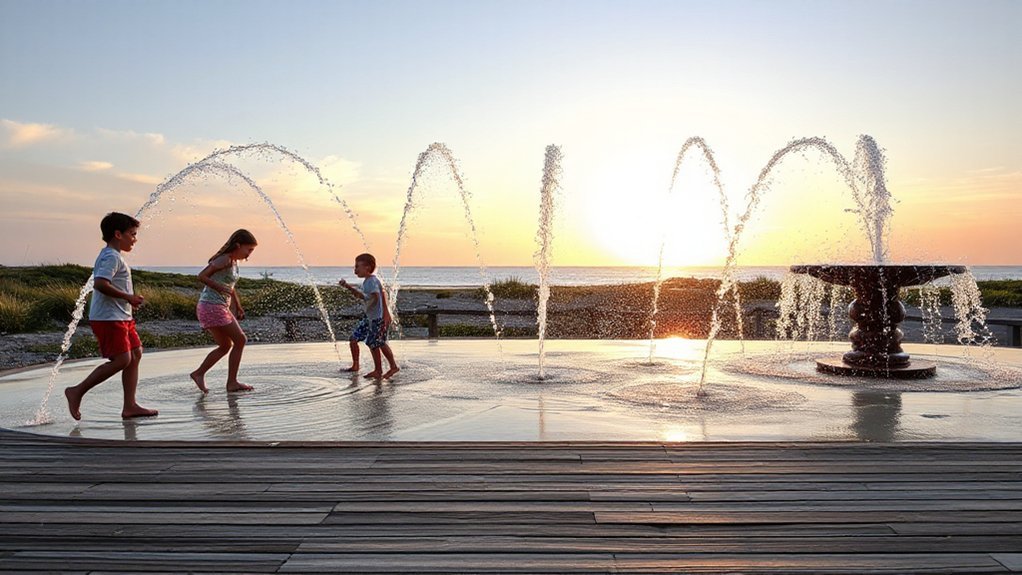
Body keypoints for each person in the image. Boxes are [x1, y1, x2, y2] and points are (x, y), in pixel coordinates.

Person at [64, 212, 158, 421]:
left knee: (135, 354)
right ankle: (76, 391)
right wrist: (128, 297)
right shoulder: (110, 257)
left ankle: (130, 406)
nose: (135, 238)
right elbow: (100, 284)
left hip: (121, 316)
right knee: (122, 360)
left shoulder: (114, 256)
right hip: (108, 318)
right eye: (132, 234)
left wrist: (128, 302)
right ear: (118, 234)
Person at [189, 229, 258, 393]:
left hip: (217, 306)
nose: (249, 254)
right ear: (238, 245)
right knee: (240, 340)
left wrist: (238, 306)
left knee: (226, 345)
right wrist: (220, 288)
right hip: (211, 306)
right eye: (248, 249)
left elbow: (231, 289)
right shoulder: (224, 260)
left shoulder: (234, 262)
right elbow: (202, 276)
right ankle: (232, 382)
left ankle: (198, 374)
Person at [338, 253, 399, 379]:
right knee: (356, 339)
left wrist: (379, 310)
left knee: (376, 342)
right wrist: (349, 287)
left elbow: (375, 297)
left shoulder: (371, 281)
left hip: (377, 318)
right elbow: (369, 296)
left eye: (357, 267)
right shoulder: (369, 281)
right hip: (370, 318)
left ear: (367, 267)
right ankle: (359, 366)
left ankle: (389, 367)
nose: (355, 270)